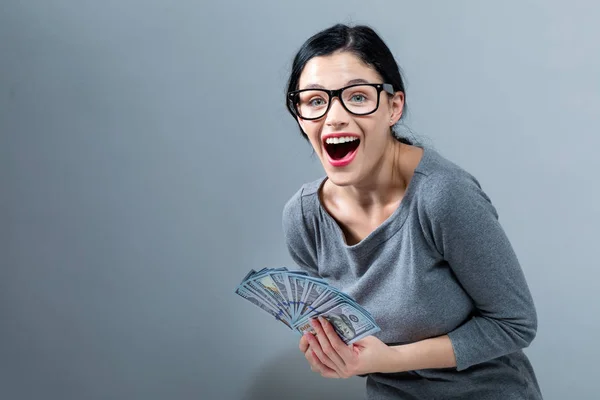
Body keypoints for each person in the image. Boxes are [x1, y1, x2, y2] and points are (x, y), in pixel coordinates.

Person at [281, 23, 543, 399]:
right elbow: (354, 341)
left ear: (393, 107)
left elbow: (514, 324)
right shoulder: (304, 218)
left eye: (357, 97)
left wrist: (386, 360)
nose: (334, 116)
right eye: (315, 100)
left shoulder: (443, 196)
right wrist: (339, 354)